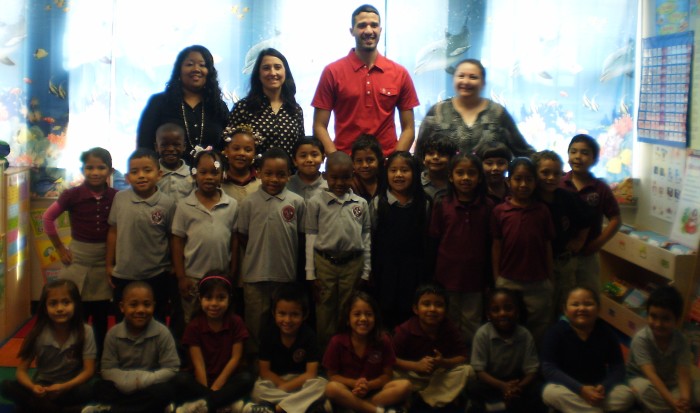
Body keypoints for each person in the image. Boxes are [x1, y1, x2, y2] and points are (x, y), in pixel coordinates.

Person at [312, 4, 419, 156]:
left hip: (385, 165)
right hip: (346, 167)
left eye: (374, 25)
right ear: (352, 31)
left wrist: (395, 162)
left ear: (380, 30)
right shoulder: (332, 72)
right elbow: (319, 126)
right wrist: (336, 159)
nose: (369, 31)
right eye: (362, 25)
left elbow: (409, 128)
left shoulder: (400, 73)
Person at [42, 147, 116, 354]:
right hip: (78, 261)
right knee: (77, 313)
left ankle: (100, 357)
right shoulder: (72, 195)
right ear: (83, 170)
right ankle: (76, 355)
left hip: (104, 261)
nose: (95, 172)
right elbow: (47, 218)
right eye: (90, 167)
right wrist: (59, 247)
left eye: (101, 168)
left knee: (101, 314)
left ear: (110, 171)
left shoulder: (116, 196)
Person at [236, 148, 305, 355]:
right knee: (255, 323)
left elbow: (300, 238)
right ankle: (255, 363)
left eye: (280, 174)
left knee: (283, 324)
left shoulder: (297, 202)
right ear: (258, 173)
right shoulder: (248, 202)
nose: (274, 179)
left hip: (284, 276)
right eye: (268, 173)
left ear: (289, 175)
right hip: (254, 277)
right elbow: (243, 237)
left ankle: (278, 361)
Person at [305, 151, 371, 347]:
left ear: (353, 176)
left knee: (348, 308)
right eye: (334, 177)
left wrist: (366, 271)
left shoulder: (360, 203)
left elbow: (366, 238)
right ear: (325, 176)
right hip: (324, 263)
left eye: (346, 177)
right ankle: (326, 355)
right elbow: (310, 237)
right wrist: (311, 274)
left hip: (353, 263)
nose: (340, 182)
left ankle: (347, 351)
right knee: (324, 309)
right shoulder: (316, 202)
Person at [0, 280, 96, 412]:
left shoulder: (86, 331)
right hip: (43, 387)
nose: (60, 308)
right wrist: (33, 387)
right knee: (6, 386)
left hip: (69, 387)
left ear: (75, 304)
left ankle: (37, 407)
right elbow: (21, 371)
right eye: (53, 303)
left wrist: (64, 387)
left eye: (66, 302)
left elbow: (88, 371)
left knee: (90, 390)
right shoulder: (37, 334)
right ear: (45, 308)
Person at [87, 281, 180, 413]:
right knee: (100, 388)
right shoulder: (113, 334)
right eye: (133, 305)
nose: (141, 310)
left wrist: (141, 381)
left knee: (166, 390)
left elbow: (171, 368)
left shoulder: (162, 332)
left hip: (150, 385)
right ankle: (151, 408)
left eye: (147, 305)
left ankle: (112, 409)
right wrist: (129, 383)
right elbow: (107, 369)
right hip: (122, 386)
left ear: (153, 306)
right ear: (122, 307)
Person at [415, 59, 534, 161]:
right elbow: (420, 153)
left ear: (483, 83)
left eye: (473, 77)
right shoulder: (438, 112)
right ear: (453, 80)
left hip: (489, 185)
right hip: (444, 186)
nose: (466, 82)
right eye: (461, 76)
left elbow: (522, 150)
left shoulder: (497, 113)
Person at [106, 148, 176, 322]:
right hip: (124, 273)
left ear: (159, 174)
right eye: (135, 172)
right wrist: (109, 264)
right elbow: (113, 231)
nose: (141, 176)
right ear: (128, 178)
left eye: (147, 170)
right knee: (124, 320)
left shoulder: (168, 203)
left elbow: (172, 237)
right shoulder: (120, 199)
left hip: (157, 274)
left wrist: (174, 265)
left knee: (156, 319)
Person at [429, 153, 492, 344]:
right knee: (448, 322)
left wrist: (489, 279)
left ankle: (470, 365)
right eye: (460, 173)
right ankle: (451, 361)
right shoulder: (442, 203)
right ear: (451, 176)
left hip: (475, 279)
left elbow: (491, 245)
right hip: (446, 278)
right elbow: (433, 240)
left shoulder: (487, 206)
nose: (465, 178)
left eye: (471, 173)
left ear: (479, 177)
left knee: (472, 323)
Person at [541, 286, 635, 413]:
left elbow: (618, 366)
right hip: (570, 390)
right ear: (565, 310)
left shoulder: (606, 332)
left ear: (598, 309)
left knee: (626, 394)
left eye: (588, 304)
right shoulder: (555, 332)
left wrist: (604, 387)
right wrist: (580, 389)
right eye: (575, 304)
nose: (582, 308)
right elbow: (549, 368)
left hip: (598, 391)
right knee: (550, 392)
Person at [491, 157, 554, 343]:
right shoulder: (500, 211)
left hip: (538, 282)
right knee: (508, 326)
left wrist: (550, 279)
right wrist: (497, 278)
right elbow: (496, 246)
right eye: (518, 179)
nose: (523, 184)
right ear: (508, 181)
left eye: (529, 179)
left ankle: (535, 367)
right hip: (508, 280)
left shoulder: (542, 211)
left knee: (539, 328)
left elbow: (547, 246)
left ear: (535, 183)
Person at [172, 149, 238, 323]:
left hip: (221, 277)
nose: (209, 177)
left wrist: (233, 272)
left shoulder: (231, 205)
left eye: (215, 172)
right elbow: (177, 242)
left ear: (222, 175)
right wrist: (181, 277)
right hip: (193, 277)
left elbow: (235, 241)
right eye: (203, 172)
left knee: (220, 319)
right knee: (192, 320)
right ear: (194, 174)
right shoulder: (184, 206)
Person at [173, 275, 253, 413]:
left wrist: (215, 388)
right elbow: (199, 365)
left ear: (229, 298)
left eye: (221, 298)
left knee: (247, 378)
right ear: (200, 299)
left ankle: (202, 405)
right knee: (180, 379)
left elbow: (235, 359)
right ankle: (224, 405)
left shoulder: (236, 322)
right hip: (200, 382)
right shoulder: (194, 326)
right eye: (208, 298)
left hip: (227, 379)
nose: (214, 303)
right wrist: (210, 392)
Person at [137, 45, 229, 164]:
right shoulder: (159, 103)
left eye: (202, 65)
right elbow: (144, 145)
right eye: (190, 64)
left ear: (209, 72)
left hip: (209, 179)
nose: (196, 69)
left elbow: (227, 147)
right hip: (166, 178)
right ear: (179, 70)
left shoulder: (218, 106)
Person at [370, 151, 431, 329]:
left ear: (414, 173)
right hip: (384, 270)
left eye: (404, 170)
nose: (398, 175)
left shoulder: (424, 203)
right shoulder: (377, 204)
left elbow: (426, 239)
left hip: (414, 270)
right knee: (385, 310)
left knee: (409, 311)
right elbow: (371, 239)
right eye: (393, 170)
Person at [323, 292, 412, 413]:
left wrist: (368, 386)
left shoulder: (383, 340)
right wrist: (355, 384)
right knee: (331, 388)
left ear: (375, 318)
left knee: (405, 386)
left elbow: (387, 375)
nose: (363, 319)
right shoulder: (337, 341)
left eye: (369, 314)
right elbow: (332, 376)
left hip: (375, 390)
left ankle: (355, 406)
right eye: (357, 314)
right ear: (348, 319)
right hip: (348, 390)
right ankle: (375, 410)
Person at [246, 283, 328, 413]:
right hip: (276, 381)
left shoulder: (309, 335)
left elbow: (310, 373)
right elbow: (265, 372)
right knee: (258, 389)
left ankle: (279, 408)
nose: (287, 320)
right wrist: (283, 385)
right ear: (274, 313)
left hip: (301, 382)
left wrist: (288, 386)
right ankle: (300, 405)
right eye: (282, 314)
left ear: (304, 315)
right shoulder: (268, 334)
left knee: (321, 385)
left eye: (294, 314)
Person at [392, 283, 470, 410]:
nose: (432, 309)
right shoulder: (405, 330)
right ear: (415, 309)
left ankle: (423, 400)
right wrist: (416, 366)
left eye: (439, 305)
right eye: (426, 304)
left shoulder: (449, 328)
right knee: (391, 374)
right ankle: (439, 399)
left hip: (438, 377)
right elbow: (390, 359)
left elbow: (463, 357)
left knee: (468, 371)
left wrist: (443, 362)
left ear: (446, 310)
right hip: (412, 377)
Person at [531, 150, 591, 316]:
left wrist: (579, 241)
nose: (551, 178)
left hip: (564, 263)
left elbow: (586, 220)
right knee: (542, 310)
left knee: (565, 307)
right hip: (537, 266)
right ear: (535, 173)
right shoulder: (530, 199)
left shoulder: (567, 198)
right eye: (545, 173)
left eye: (556, 173)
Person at [560, 134, 621, 291]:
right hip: (561, 255)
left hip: (588, 255)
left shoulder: (600, 188)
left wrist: (597, 244)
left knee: (589, 295)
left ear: (594, 159)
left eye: (584, 153)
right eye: (573, 152)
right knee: (562, 297)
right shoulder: (559, 184)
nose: (578, 157)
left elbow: (615, 219)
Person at [470, 288, 545, 413]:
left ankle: (501, 407)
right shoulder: (482, 334)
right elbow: (479, 371)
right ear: (488, 315)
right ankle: (506, 406)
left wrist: (516, 388)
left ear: (517, 312)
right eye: (495, 310)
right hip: (493, 382)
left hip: (517, 382)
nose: (502, 313)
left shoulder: (524, 334)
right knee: (473, 388)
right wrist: (502, 386)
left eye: (508, 308)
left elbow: (532, 370)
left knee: (538, 389)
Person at [222, 48, 304, 159]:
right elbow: (229, 145)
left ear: (285, 72)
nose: (272, 73)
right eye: (266, 68)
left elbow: (300, 149)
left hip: (288, 175)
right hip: (253, 175)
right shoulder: (243, 107)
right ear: (258, 74)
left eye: (277, 67)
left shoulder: (295, 109)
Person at [627, 286, 698, 413]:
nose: (658, 324)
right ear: (647, 315)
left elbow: (683, 373)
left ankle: (673, 408)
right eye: (653, 317)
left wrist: (685, 400)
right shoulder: (641, 339)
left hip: (669, 381)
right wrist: (673, 402)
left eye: (665, 319)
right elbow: (651, 375)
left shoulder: (681, 340)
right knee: (643, 389)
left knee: (694, 388)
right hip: (644, 379)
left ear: (676, 320)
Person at [221, 124, 261, 204]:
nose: (241, 153)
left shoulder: (261, 184)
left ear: (254, 153)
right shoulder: (219, 183)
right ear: (226, 151)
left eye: (248, 150)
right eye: (236, 149)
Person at [155, 122, 194, 200]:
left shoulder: (192, 174)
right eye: (164, 145)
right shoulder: (152, 175)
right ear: (156, 147)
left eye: (176, 144)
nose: (170, 149)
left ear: (184, 146)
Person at [417, 133, 457, 202]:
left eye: (442, 154)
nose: (435, 157)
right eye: (430, 153)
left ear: (451, 159)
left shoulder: (456, 183)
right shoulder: (415, 181)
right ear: (423, 158)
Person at [287, 136, 328, 202]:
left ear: (323, 158)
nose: (309, 160)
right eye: (303, 156)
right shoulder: (286, 185)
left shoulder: (329, 186)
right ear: (294, 160)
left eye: (314, 155)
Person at [475, 141, 513, 205]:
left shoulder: (514, 191)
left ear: (508, 165)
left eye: (501, 163)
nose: (495, 168)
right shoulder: (474, 194)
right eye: (489, 163)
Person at [351, 133, 384, 202]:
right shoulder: (349, 186)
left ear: (379, 160)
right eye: (359, 161)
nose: (364, 165)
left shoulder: (386, 183)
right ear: (353, 163)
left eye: (370, 160)